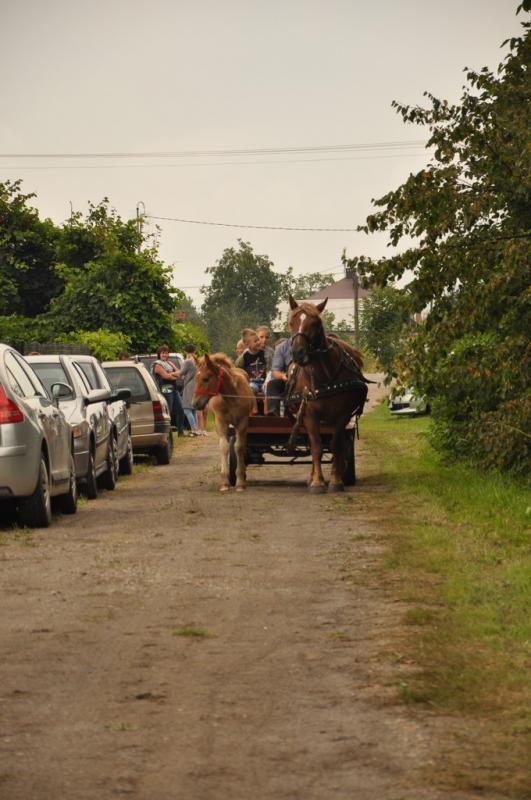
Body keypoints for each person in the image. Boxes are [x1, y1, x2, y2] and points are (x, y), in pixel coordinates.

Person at [152, 345, 185, 436]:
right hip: (165, 389)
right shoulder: (157, 365)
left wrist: (171, 374)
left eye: (166, 353)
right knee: (168, 412)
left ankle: (181, 432)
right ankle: (167, 433)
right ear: (159, 354)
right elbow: (166, 376)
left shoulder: (169, 363)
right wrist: (174, 375)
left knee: (181, 409)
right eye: (163, 353)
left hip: (174, 388)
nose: (165, 355)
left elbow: (180, 373)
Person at [266, 334, 294, 415]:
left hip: (307, 380)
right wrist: (282, 376)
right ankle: (273, 411)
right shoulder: (282, 347)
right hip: (288, 379)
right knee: (272, 384)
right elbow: (275, 371)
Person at [180, 344, 203, 436]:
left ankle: (194, 429)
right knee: (193, 409)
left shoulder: (187, 361)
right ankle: (196, 428)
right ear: (194, 351)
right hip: (196, 384)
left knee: (186, 409)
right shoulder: (197, 360)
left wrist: (173, 372)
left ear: (185, 351)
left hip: (189, 386)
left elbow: (181, 373)